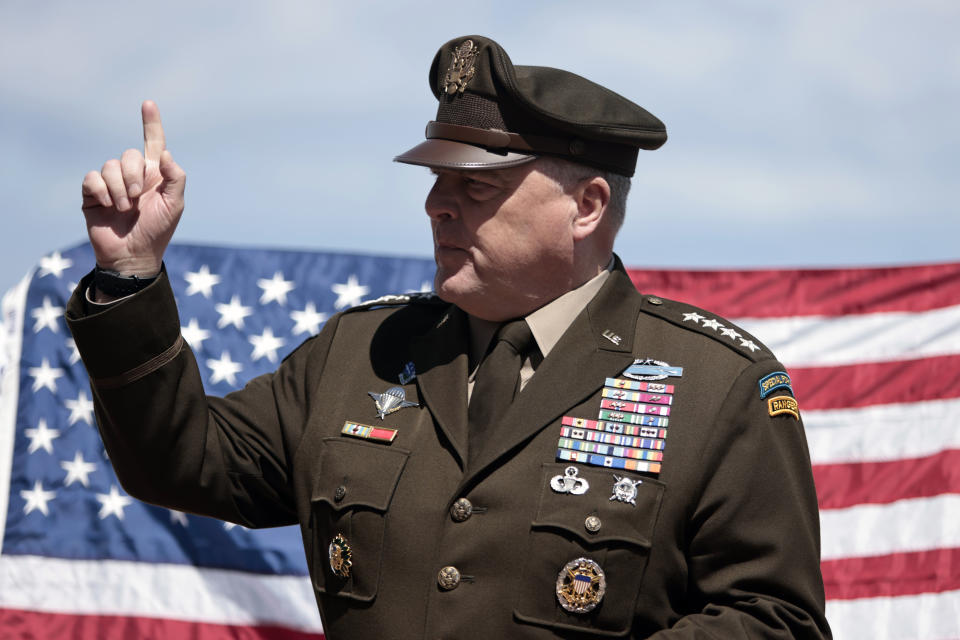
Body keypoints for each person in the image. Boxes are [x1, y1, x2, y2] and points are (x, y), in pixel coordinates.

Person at [68, 35, 831, 639]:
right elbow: (179, 459)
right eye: (437, 181)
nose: (438, 205)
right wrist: (132, 277)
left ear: (589, 206)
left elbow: (775, 620)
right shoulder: (360, 352)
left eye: (478, 186)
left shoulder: (715, 385)